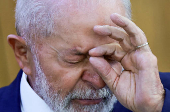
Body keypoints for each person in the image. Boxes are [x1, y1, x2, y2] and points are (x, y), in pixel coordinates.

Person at [0, 0, 170, 112]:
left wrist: (156, 106)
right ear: (23, 54)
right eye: (74, 60)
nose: (98, 81)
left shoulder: (160, 98)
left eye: (110, 57)